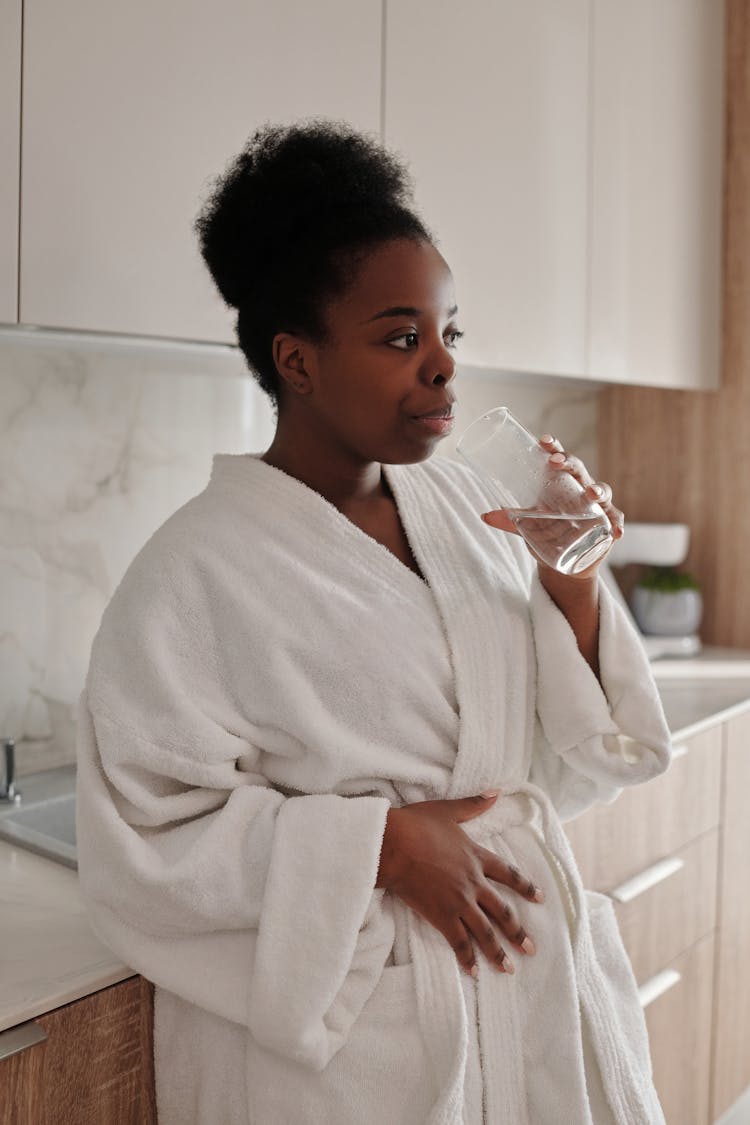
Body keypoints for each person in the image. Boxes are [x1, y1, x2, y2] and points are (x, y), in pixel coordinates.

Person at [76, 120, 672, 1124]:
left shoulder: (471, 518)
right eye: (402, 338)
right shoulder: (193, 570)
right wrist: (381, 847)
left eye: (449, 335)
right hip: (364, 1050)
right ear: (297, 363)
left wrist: (570, 579)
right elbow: (142, 846)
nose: (441, 367)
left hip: (526, 995)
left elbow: (562, 763)